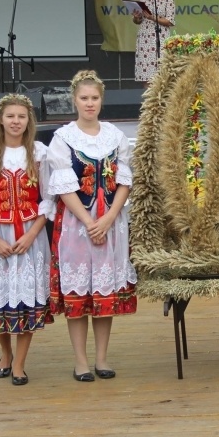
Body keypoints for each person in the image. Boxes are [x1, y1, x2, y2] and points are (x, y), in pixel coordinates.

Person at [47, 70, 137, 381]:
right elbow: (63, 186)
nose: (89, 103)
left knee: (104, 293)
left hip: (111, 223)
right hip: (77, 225)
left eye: (94, 98)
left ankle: (101, 359)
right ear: (74, 100)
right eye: (84, 98)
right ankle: (80, 361)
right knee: (78, 294)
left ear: (102, 100)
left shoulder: (115, 135)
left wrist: (110, 217)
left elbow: (125, 180)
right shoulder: (63, 139)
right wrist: (89, 222)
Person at [0, 93, 55, 386]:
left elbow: (49, 199)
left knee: (25, 297)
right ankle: (5, 353)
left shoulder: (40, 154)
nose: (16, 121)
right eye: (10, 116)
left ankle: (19, 363)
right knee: (0, 297)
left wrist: (32, 234)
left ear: (29, 121)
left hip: (30, 234)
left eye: (21, 116)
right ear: (0, 120)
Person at [132, 0, 176, 86]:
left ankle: (161, 102)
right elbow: (138, 21)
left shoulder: (168, 0)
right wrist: (136, 17)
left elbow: (169, 21)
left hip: (161, 39)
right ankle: (150, 103)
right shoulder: (143, 0)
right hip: (145, 39)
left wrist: (152, 17)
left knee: (163, 75)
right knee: (147, 76)